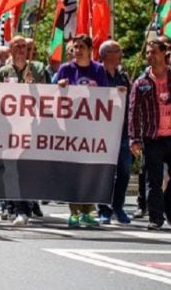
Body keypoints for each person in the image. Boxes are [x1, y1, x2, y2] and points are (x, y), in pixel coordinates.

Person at [129, 36, 171, 230]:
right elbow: (133, 112)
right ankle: (156, 218)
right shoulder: (141, 83)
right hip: (153, 137)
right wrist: (134, 138)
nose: (150, 56)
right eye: (148, 52)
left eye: (154, 52)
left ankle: (170, 211)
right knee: (153, 180)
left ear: (164, 55)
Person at [54, 34, 109, 228]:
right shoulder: (65, 69)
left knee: (89, 170)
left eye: (81, 47)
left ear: (89, 50)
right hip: (71, 129)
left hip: (92, 130)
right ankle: (74, 212)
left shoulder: (98, 70)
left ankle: (88, 211)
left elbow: (107, 97)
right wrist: (59, 87)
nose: (78, 50)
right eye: (75, 47)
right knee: (74, 171)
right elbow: (51, 95)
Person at [0, 35, 50, 225]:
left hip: (32, 128)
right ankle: (15, 206)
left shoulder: (38, 69)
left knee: (27, 169)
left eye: (23, 47)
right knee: (10, 169)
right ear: (10, 50)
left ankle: (25, 206)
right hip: (9, 129)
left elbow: (48, 95)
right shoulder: (3, 72)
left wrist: (32, 86)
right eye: (16, 46)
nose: (20, 50)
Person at [95, 40, 133, 225]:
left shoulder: (123, 77)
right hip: (101, 132)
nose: (121, 54)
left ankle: (118, 206)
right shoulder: (96, 75)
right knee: (103, 172)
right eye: (118, 51)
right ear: (107, 54)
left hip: (122, 132)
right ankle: (103, 209)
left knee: (124, 171)